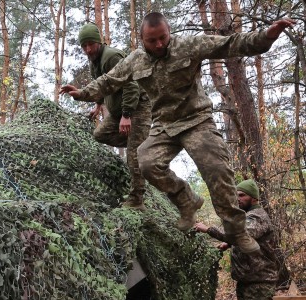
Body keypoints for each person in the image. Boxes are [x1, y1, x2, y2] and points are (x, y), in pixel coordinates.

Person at [60, 12, 296, 253]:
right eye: (152, 41)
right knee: (147, 161)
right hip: (164, 124)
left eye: (163, 37)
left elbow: (230, 44)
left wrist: (266, 36)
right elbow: (110, 81)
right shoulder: (135, 60)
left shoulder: (189, 45)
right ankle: (186, 200)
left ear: (169, 32)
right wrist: (82, 93)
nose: (160, 44)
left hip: (196, 120)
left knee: (217, 169)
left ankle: (236, 230)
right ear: (142, 39)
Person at [76, 23, 151, 210]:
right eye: (84, 46)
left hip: (136, 108)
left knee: (133, 156)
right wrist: (98, 105)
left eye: (90, 44)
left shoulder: (111, 56)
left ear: (98, 41)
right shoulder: (94, 60)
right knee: (100, 134)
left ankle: (137, 200)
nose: (87, 49)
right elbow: (103, 85)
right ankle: (141, 142)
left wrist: (127, 115)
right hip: (118, 112)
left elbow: (130, 85)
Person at [195, 179, 279, 300]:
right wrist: (228, 243)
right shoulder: (246, 216)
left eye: (242, 195)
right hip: (246, 280)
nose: (238, 199)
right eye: (236, 195)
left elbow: (241, 235)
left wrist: (209, 229)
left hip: (259, 281)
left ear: (254, 198)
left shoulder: (258, 216)